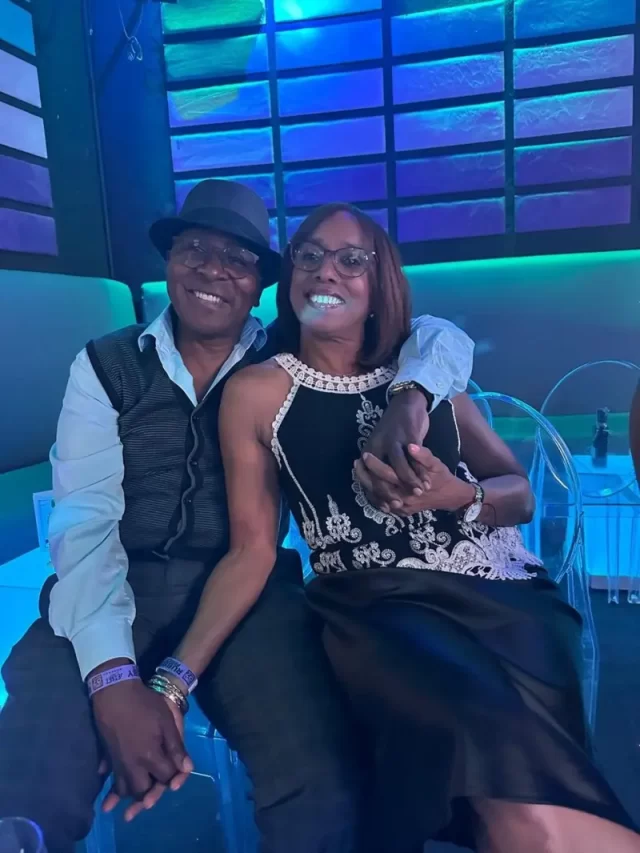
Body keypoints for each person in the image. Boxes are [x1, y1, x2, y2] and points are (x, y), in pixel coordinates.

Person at [0, 181, 474, 853]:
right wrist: (112, 680)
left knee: (318, 780)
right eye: (194, 248)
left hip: (249, 591)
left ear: (259, 286)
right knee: (28, 773)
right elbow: (86, 523)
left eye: (239, 258)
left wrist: (411, 394)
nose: (213, 269)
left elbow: (438, 334)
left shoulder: (289, 358)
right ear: (169, 262)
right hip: (109, 580)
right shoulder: (105, 364)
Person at [163, 203, 640, 853]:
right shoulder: (257, 392)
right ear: (290, 273)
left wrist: (458, 496)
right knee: (482, 722)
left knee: (510, 791)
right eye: (309, 255)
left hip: (506, 598)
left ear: (379, 280)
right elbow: (252, 549)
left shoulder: (426, 372)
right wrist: (173, 679)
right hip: (377, 607)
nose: (326, 271)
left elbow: (521, 495)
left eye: (351, 260)